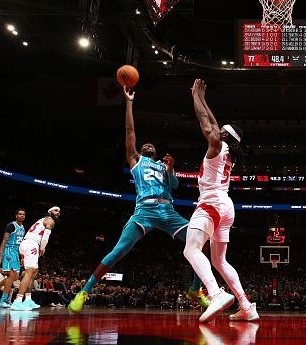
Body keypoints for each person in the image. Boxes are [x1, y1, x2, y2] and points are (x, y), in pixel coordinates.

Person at [68, 86, 209, 313]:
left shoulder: (164, 166)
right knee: (118, 251)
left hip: (168, 211)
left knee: (199, 241)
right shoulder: (136, 160)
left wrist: (172, 170)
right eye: (145, 145)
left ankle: (195, 289)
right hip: (144, 210)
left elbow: (174, 186)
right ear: (140, 151)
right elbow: (130, 129)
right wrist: (129, 103)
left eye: (152, 145)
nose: (148, 145)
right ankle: (83, 291)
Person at [183, 79, 257, 323]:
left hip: (211, 204)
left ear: (224, 135)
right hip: (226, 206)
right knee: (219, 260)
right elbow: (213, 123)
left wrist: (194, 96)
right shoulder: (227, 151)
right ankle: (247, 306)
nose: (217, 130)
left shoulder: (216, 144)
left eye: (221, 130)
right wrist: (204, 99)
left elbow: (206, 124)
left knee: (191, 249)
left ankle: (215, 294)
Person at [11, 206, 61, 310]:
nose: (58, 213)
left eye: (59, 211)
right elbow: (45, 238)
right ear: (49, 212)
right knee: (29, 273)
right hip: (32, 245)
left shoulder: (41, 220)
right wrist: (42, 248)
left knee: (34, 272)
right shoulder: (50, 221)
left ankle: (28, 300)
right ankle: (18, 300)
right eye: (55, 210)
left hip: (26, 244)